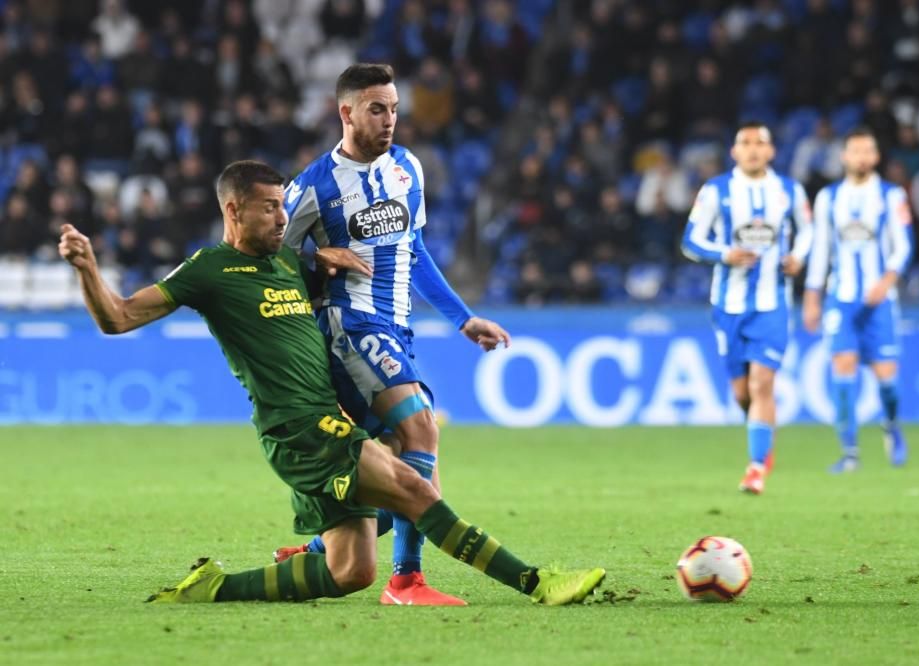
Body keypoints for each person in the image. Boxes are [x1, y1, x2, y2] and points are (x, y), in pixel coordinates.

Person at [58, 160, 605, 607]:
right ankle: (537, 583)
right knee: (417, 487)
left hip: (319, 425)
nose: (281, 217)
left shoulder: (291, 263)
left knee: (350, 571)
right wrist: (87, 268)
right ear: (233, 210)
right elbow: (119, 317)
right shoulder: (209, 270)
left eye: (283, 206)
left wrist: (324, 258)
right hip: (300, 428)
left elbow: (387, 255)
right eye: (270, 207)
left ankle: (215, 588)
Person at [279, 63, 511, 605]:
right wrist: (315, 255)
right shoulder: (311, 187)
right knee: (422, 432)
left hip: (396, 329)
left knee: (396, 467)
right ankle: (407, 580)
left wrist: (461, 317)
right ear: (347, 113)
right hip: (349, 326)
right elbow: (267, 257)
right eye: (377, 109)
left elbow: (416, 249)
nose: (389, 120)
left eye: (395, 109)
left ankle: (318, 551)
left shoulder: (408, 168)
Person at [681, 122, 813, 495]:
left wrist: (798, 258)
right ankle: (762, 441)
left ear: (771, 151)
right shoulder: (716, 191)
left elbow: (808, 230)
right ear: (734, 152)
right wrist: (725, 254)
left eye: (760, 143)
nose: (753, 149)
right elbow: (690, 241)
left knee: (762, 383)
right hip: (728, 304)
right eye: (745, 143)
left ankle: (756, 468)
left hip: (773, 303)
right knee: (742, 393)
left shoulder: (789, 190)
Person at [803, 127, 912, 473]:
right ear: (844, 156)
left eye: (868, 151)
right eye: (855, 151)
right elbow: (820, 249)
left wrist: (887, 280)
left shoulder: (891, 195)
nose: (862, 157)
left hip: (880, 301)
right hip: (842, 299)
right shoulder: (828, 198)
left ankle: (891, 426)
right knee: (843, 374)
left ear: (876, 157)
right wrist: (811, 297)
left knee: (887, 383)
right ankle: (849, 452)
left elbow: (904, 244)